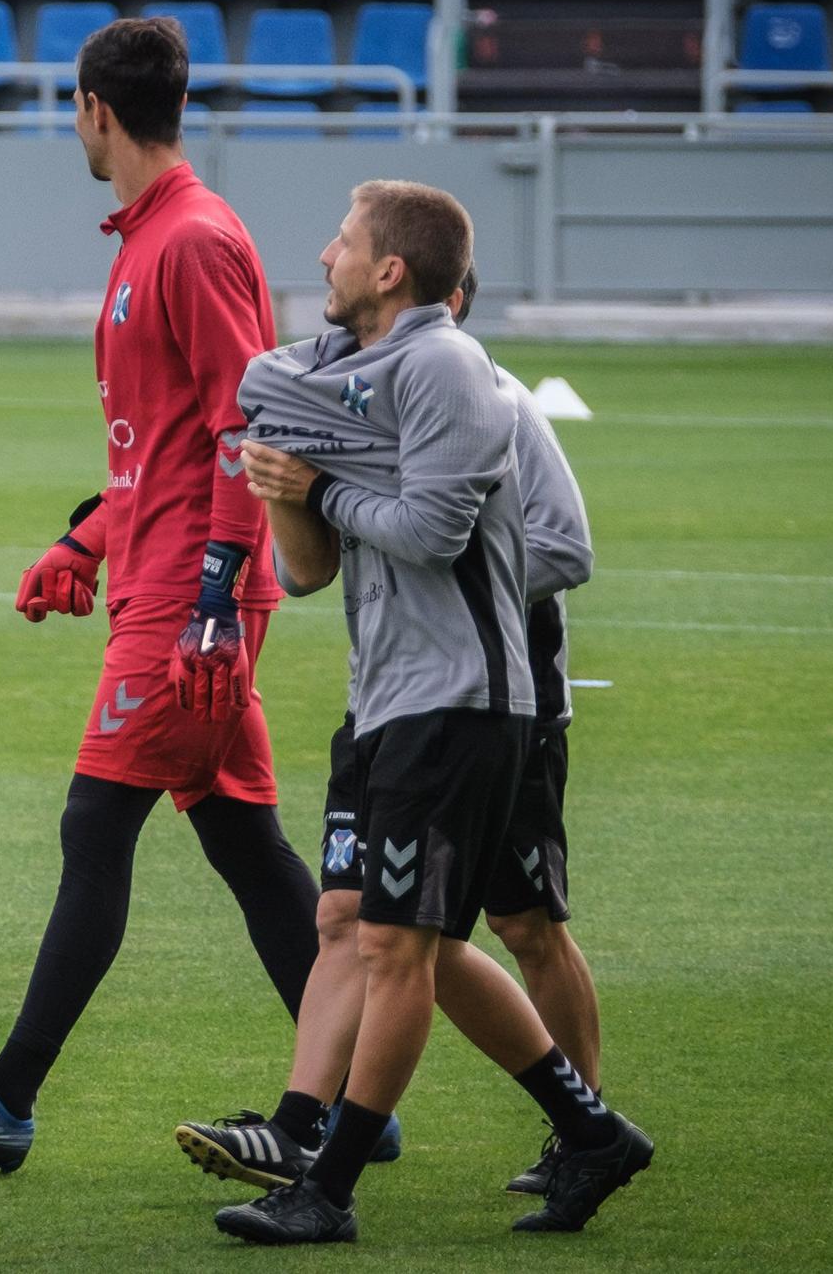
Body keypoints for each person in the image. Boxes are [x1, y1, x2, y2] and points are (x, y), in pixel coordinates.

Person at [0, 16, 321, 1173]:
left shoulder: (193, 241)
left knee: (93, 825)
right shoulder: (149, 236)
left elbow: (239, 426)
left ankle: (4, 1098)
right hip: (162, 572)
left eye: (72, 109)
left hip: (188, 597)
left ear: (94, 111)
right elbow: (160, 446)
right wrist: (84, 538)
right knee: (241, 842)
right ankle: (350, 1095)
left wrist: (215, 590)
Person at [211, 182, 651, 1243]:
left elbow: (436, 532)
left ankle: (328, 1184)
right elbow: (309, 573)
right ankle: (587, 1131)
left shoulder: (452, 366)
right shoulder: (352, 381)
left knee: (421, 941)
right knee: (385, 932)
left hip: (462, 704)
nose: (323, 256)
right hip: (387, 702)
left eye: (344, 243)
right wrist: (283, 483)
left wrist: (319, 487)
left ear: (390, 270)